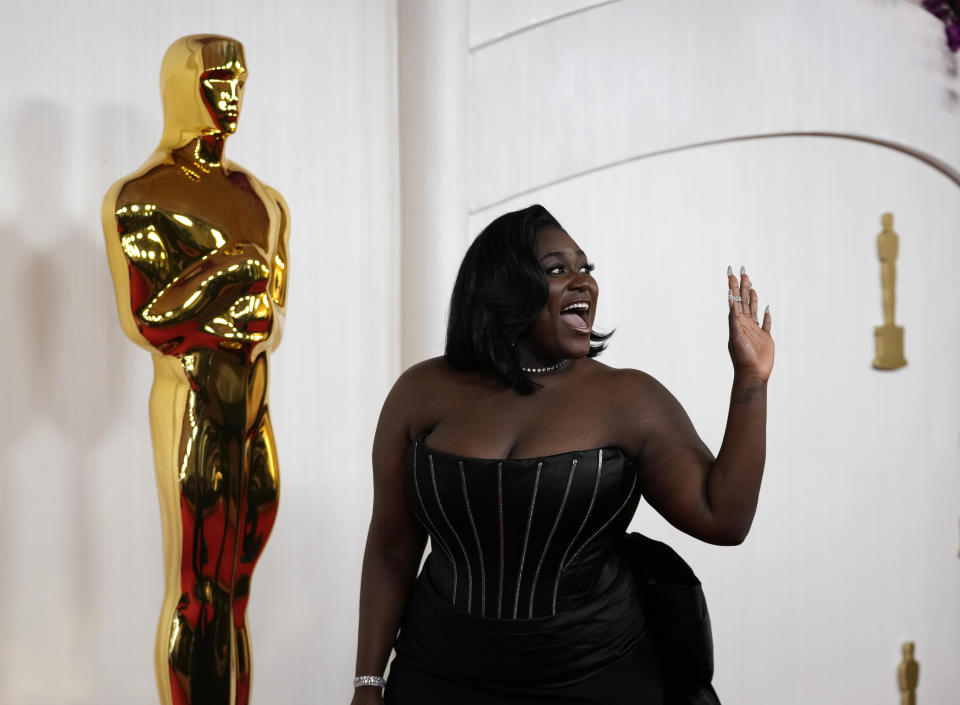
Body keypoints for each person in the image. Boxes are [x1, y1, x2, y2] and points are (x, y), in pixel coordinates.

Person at [351, 204, 773, 704]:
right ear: (502, 286)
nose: (583, 283)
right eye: (557, 270)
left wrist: (750, 381)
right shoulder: (419, 391)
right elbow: (391, 549)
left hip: (595, 677)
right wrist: (368, 684)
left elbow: (723, 518)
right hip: (438, 675)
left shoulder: (630, 399)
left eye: (585, 269)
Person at [102, 35, 289, 705]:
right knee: (198, 584)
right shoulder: (142, 196)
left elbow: (272, 315)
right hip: (191, 400)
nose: (232, 94)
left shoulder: (263, 197)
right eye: (217, 81)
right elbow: (149, 320)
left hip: (253, 402)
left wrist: (246, 310)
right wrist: (227, 269)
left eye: (239, 79)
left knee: (238, 586)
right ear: (185, 88)